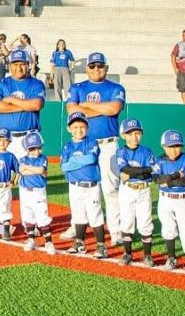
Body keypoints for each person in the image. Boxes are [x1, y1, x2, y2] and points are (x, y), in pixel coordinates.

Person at [63, 52, 127, 246]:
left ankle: (115, 229)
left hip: (108, 144)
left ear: (106, 68)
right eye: (92, 66)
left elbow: (114, 109)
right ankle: (77, 225)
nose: (96, 69)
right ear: (87, 68)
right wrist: (101, 108)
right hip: (83, 143)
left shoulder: (115, 88)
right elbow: (72, 111)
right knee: (79, 187)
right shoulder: (77, 87)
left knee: (110, 188)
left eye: (100, 66)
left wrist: (87, 106)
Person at [61, 112, 108, 258]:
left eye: (82, 126)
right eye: (75, 127)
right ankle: (79, 243)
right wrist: (81, 160)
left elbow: (91, 158)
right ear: (69, 129)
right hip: (75, 186)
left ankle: (101, 246)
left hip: (91, 186)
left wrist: (73, 161)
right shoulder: (67, 146)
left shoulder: (91, 142)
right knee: (78, 214)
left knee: (95, 214)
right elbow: (64, 166)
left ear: (87, 127)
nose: (78, 130)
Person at [152, 129, 185, 273]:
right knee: (168, 228)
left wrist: (168, 181)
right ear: (164, 146)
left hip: (181, 199)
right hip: (165, 199)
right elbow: (157, 179)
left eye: (177, 146)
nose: (174, 150)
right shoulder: (159, 160)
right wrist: (176, 175)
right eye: (170, 146)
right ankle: (171, 257)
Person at [0, 49, 46, 163]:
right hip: (5, 138)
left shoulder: (37, 84)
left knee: (29, 172)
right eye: (15, 64)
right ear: (10, 65)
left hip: (29, 138)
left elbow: (36, 105)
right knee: (4, 172)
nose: (19, 68)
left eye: (22, 64)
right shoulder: (1, 84)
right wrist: (25, 106)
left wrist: (10, 100)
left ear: (28, 65)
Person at [114, 118, 156, 267]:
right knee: (127, 220)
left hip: (143, 189)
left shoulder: (146, 151)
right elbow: (125, 169)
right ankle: (127, 253)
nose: (134, 137)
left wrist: (133, 173)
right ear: (123, 135)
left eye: (137, 133)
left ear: (141, 134)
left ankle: (147, 255)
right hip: (127, 190)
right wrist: (144, 170)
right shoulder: (121, 151)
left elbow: (152, 172)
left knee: (145, 221)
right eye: (130, 134)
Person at [16, 131, 55, 254]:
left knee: (42, 216)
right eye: (32, 148)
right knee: (28, 215)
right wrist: (33, 170)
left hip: (38, 191)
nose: (36, 151)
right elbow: (22, 172)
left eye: (38, 148)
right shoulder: (23, 159)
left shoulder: (43, 158)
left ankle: (49, 242)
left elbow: (41, 170)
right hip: (25, 191)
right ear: (27, 149)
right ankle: (31, 239)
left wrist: (28, 168)